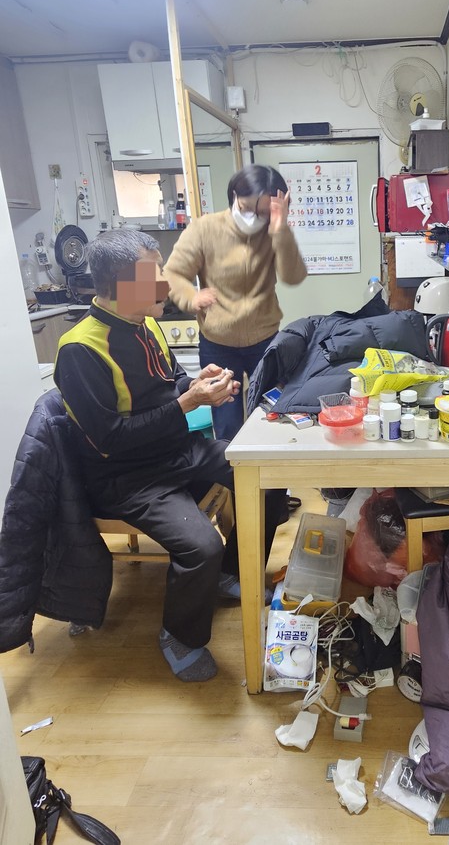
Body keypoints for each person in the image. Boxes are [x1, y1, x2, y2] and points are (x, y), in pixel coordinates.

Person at [53, 229, 287, 683]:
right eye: (153, 274)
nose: (164, 283)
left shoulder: (146, 323)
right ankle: (179, 635)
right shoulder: (80, 349)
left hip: (177, 450)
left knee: (268, 477)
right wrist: (187, 402)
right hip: (125, 475)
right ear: (120, 284)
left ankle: (230, 573)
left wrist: (197, 383)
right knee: (201, 546)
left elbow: (171, 381)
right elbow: (110, 439)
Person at [163, 164, 307, 440]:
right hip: (217, 343)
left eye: (263, 212)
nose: (253, 217)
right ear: (234, 196)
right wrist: (192, 297)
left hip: (264, 339)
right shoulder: (205, 228)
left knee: (271, 414)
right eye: (246, 207)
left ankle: (270, 468)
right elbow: (173, 274)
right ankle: (230, 469)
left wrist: (280, 230)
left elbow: (293, 275)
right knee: (227, 422)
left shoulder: (273, 231)